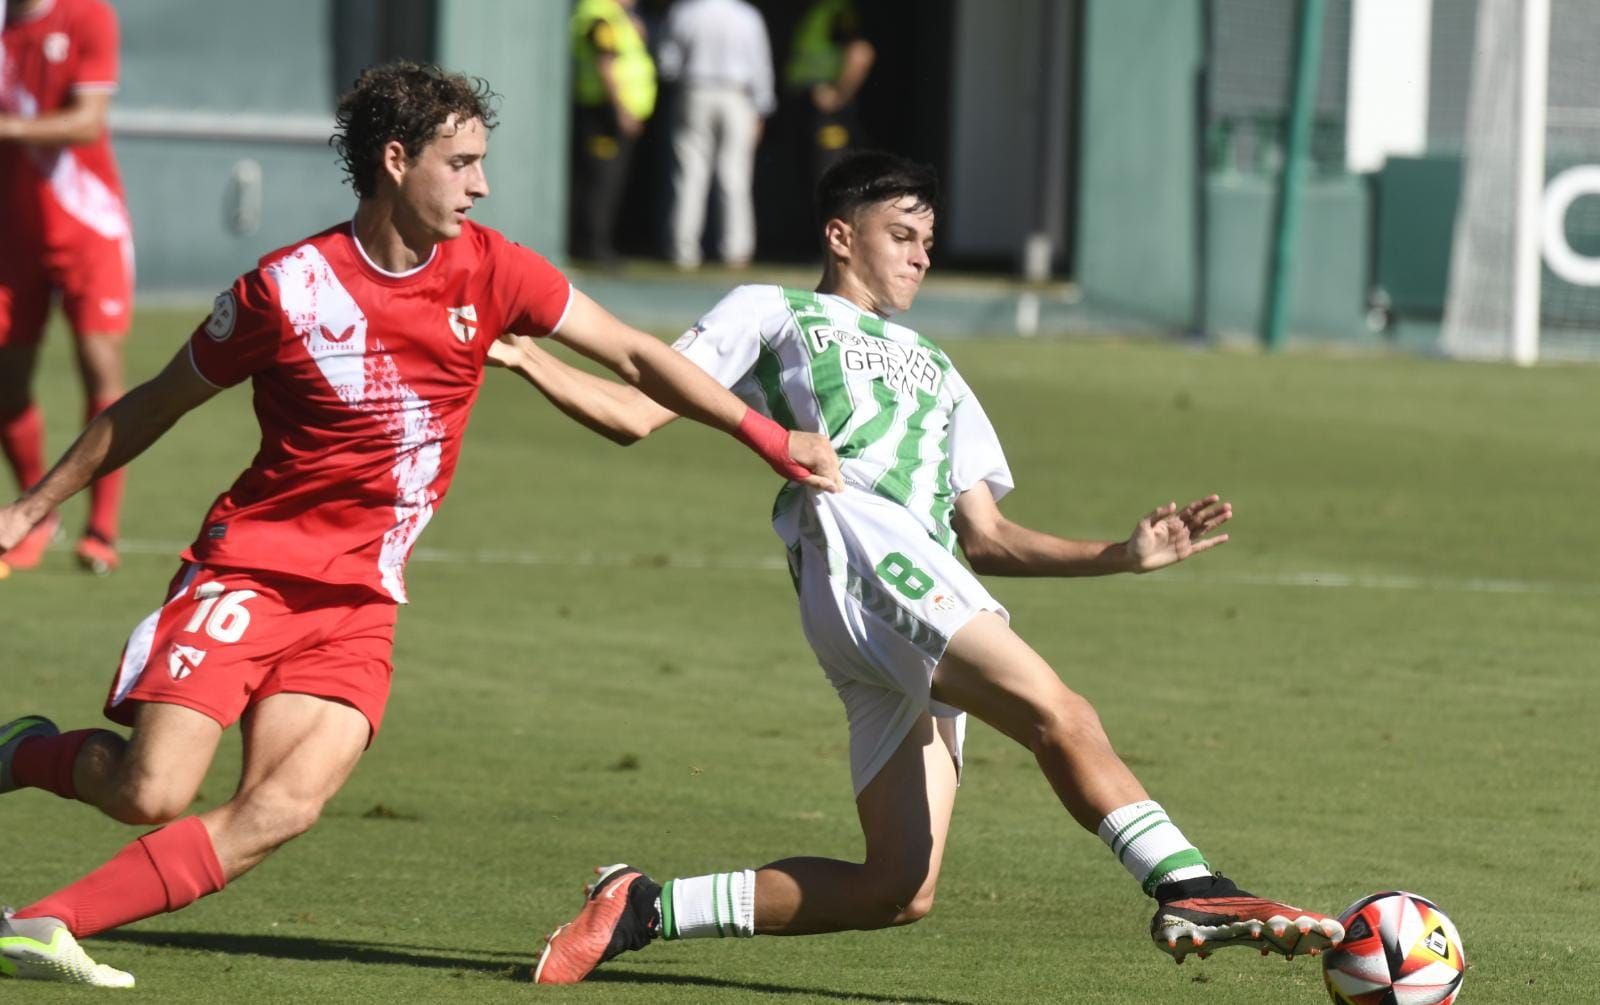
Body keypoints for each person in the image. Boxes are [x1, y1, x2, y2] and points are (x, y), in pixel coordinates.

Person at [0, 61, 840, 988]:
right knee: (145, 791)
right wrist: (33, 507)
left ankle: (40, 923)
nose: (481, 184)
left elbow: (639, 354)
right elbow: (154, 403)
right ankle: (24, 751)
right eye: (463, 162)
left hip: (361, 598)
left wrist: (766, 434)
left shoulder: (496, 268)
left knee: (280, 808)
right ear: (397, 161)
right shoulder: (287, 290)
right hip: (252, 573)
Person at [491, 151, 1346, 987]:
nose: (919, 254)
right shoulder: (774, 310)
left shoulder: (940, 368)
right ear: (839, 235)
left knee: (898, 886)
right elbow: (636, 410)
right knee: (1059, 710)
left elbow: (988, 536)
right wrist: (531, 355)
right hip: (860, 542)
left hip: (917, 581)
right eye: (899, 233)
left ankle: (640, 907)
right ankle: (1191, 888)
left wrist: (1120, 556)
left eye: (927, 241)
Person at [0, 0, 134, 575]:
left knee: (97, 361)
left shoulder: (86, 15)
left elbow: (86, 121)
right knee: (6, 378)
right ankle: (36, 511)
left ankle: (101, 528)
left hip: (88, 224)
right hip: (13, 231)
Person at [655, 0, 774, 270]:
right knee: (735, 176)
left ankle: (682, 251)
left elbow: (667, 61)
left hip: (695, 91)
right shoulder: (748, 16)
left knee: (688, 174)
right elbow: (761, 65)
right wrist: (762, 107)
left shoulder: (684, 12)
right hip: (737, 95)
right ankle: (736, 250)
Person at [570, 0, 656, 265]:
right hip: (604, 112)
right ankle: (593, 247)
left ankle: (596, 244)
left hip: (608, 110)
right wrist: (621, 111)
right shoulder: (601, 17)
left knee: (606, 180)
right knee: (601, 181)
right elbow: (605, 65)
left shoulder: (615, 16)